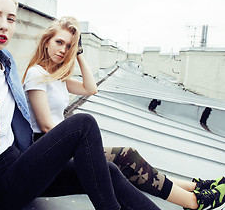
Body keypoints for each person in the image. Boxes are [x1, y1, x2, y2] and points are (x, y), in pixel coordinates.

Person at [0, 0, 164, 210]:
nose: (4, 25)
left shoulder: (6, 62)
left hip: (18, 166)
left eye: (10, 19)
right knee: (83, 124)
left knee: (108, 170)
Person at [22, 16, 225, 210]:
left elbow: (91, 88)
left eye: (68, 46)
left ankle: (193, 189)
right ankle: (194, 200)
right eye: (59, 42)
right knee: (126, 158)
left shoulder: (57, 76)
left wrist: (79, 54)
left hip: (64, 147)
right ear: (46, 41)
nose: (63, 50)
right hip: (48, 150)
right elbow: (47, 126)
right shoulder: (36, 74)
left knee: (128, 157)